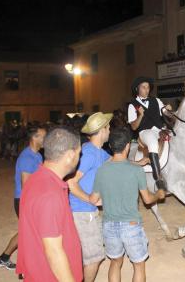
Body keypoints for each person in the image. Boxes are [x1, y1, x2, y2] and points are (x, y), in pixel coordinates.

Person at [89, 128, 165, 282]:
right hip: (131, 224)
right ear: (128, 146)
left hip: (109, 225)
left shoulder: (102, 170)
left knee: (115, 262)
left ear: (110, 146)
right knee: (138, 265)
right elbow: (147, 200)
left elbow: (94, 199)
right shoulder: (136, 170)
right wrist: (159, 194)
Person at [16, 127, 83, 281]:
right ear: (70, 155)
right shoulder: (50, 194)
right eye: (79, 153)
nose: (79, 158)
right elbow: (54, 252)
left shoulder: (37, 178)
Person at [67, 112, 113, 282]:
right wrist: (90, 199)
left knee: (85, 254)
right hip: (82, 211)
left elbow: (117, 161)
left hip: (87, 211)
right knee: (94, 258)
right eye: (108, 127)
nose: (110, 131)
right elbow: (71, 182)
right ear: (102, 130)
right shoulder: (89, 153)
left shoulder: (99, 152)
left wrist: (142, 162)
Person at [0, 124, 46, 271]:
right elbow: (27, 186)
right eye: (43, 136)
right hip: (25, 199)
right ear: (34, 138)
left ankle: (3, 258)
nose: (46, 139)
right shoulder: (27, 158)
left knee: (27, 231)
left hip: (31, 199)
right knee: (30, 232)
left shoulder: (37, 154)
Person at [127, 76, 172, 191]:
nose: (147, 90)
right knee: (152, 143)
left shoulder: (156, 100)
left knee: (174, 136)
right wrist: (140, 115)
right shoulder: (132, 105)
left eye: (148, 87)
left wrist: (168, 109)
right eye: (144, 87)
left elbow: (166, 113)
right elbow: (133, 126)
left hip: (159, 129)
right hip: (144, 131)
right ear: (137, 89)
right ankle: (158, 179)